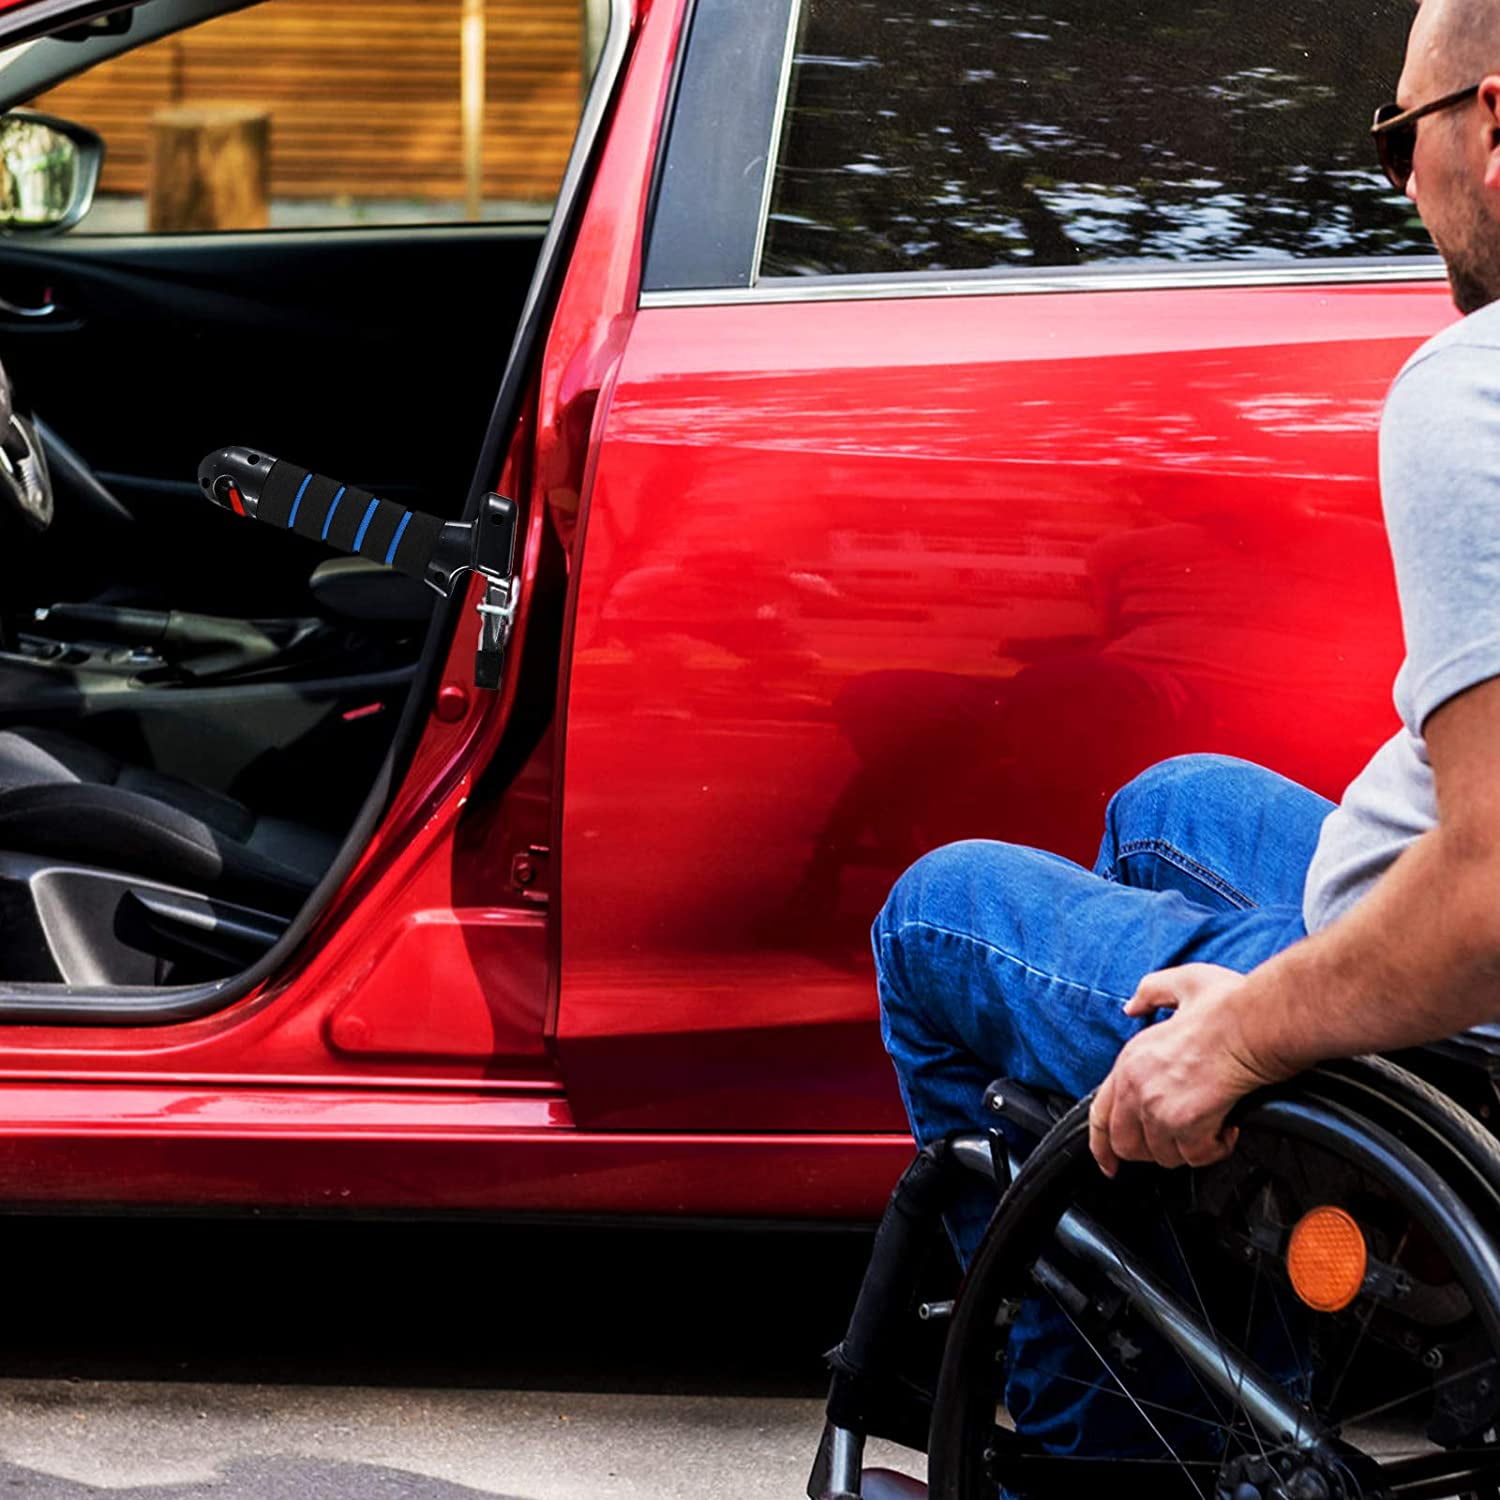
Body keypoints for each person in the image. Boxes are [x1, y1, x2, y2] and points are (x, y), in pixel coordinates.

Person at [873, 0, 1500, 1457]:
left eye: (1404, 135)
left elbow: (1484, 894)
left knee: (939, 917)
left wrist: (1238, 1043)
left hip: (1450, 1019)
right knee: (1170, 805)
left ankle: (1099, 1459)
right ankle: (1248, 1302)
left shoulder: (1474, 390)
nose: (1401, 183)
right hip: (1441, 954)